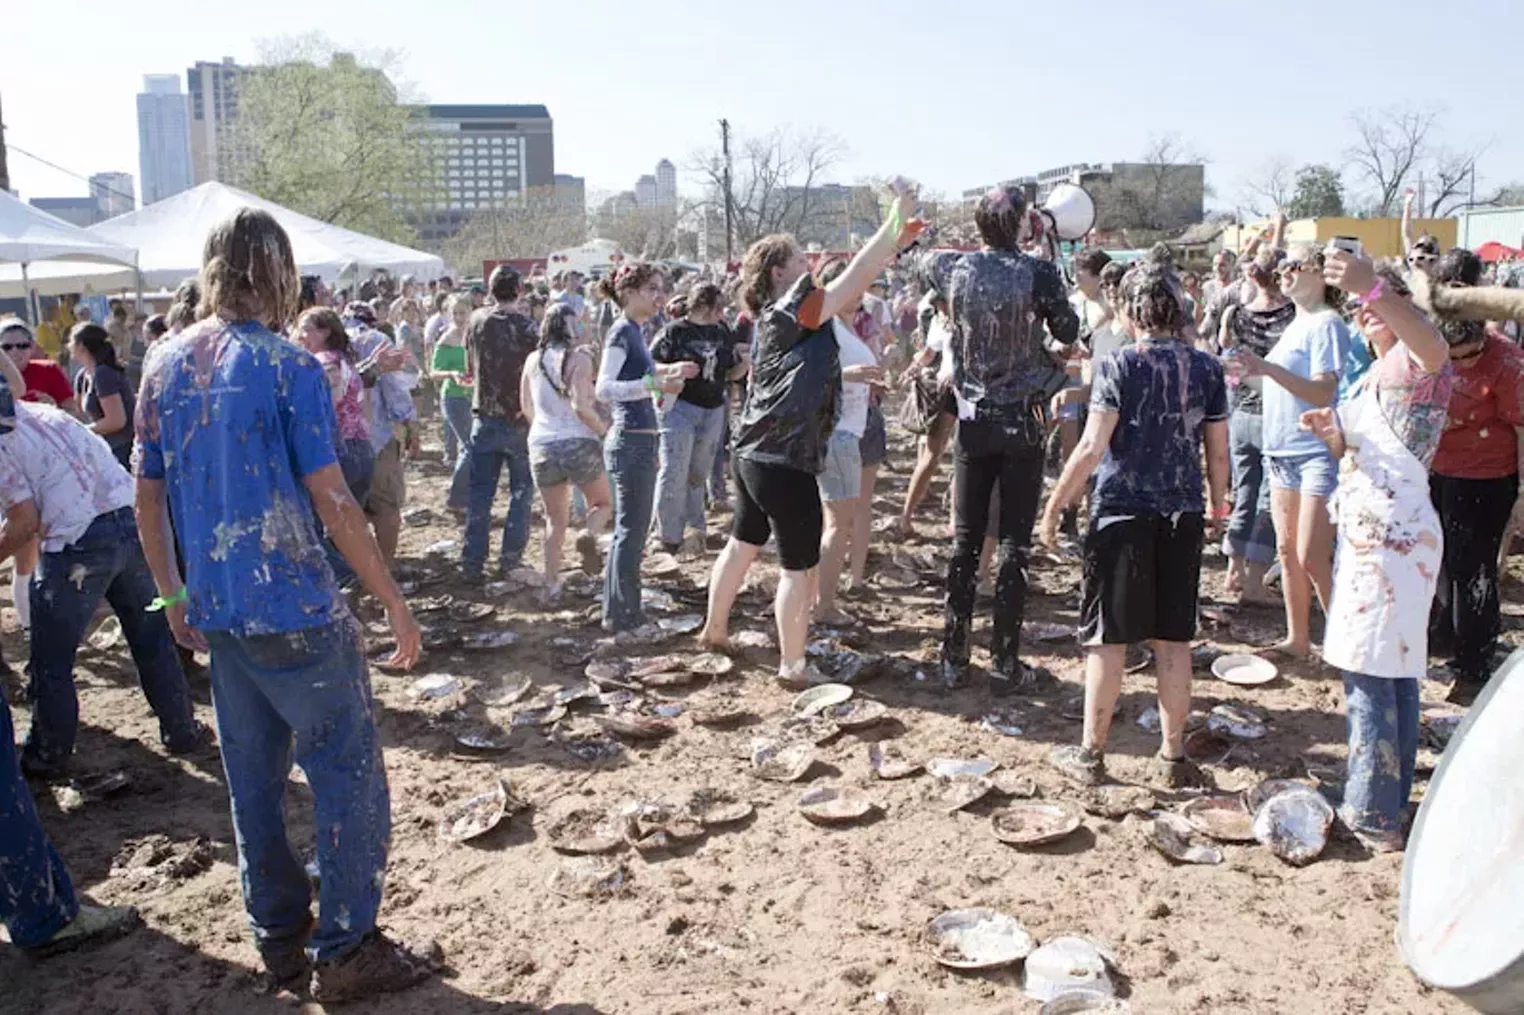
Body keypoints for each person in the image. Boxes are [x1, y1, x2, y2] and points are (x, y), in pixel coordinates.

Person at [134, 207, 437, 1000]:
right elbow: (335, 500)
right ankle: (345, 948)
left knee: (254, 780)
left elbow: (147, 495)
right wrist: (394, 602)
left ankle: (277, 934)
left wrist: (171, 593)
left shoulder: (163, 362)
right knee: (348, 777)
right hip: (298, 609)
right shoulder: (289, 367)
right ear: (278, 274)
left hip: (219, 612)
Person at [699, 187, 921, 684]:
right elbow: (854, 279)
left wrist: (895, 242)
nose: (810, 260)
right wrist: (888, 229)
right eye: (800, 257)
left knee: (742, 544)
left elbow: (857, 281)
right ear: (779, 273)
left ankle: (714, 630)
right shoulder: (796, 310)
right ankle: (793, 666)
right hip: (783, 459)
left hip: (752, 453)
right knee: (796, 569)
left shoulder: (778, 318)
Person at [1041, 261, 1229, 787]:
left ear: (1128, 311)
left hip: (1122, 511)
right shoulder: (1207, 369)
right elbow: (1218, 454)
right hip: (1182, 512)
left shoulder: (1121, 364)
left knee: (1107, 639)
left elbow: (1090, 446)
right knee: (1174, 641)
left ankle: (1091, 755)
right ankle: (1172, 758)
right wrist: (1218, 510)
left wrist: (1056, 506)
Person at [1301, 255, 1451, 850]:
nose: (1364, 316)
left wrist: (1375, 287)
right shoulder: (1378, 368)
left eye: (1372, 308)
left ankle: (1372, 811)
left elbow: (1434, 346)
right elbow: (1370, 445)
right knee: (1392, 672)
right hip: (1378, 531)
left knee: (1371, 670)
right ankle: (1381, 792)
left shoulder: (1417, 361)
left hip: (1395, 539)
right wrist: (1335, 434)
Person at [913, 184, 1081, 691]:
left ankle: (953, 657)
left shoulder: (953, 267)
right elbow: (1069, 328)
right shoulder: (1038, 272)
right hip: (1023, 418)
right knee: (1013, 543)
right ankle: (1005, 661)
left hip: (974, 418)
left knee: (966, 542)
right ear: (1023, 227)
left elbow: (922, 263)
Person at [0, 392, 206, 776]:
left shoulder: (3, 440)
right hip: (128, 522)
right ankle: (182, 730)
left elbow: (23, 522)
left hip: (77, 542)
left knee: (51, 661)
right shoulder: (46, 414)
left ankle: (48, 755)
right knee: (152, 639)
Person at [1234, 243, 1353, 658]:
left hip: (1315, 452)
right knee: (1286, 552)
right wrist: (1247, 375)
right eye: (1281, 265)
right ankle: (1298, 639)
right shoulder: (1296, 324)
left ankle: (1346, 643)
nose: (1283, 271)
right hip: (1280, 452)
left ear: (1320, 273)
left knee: (1312, 554)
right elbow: (1282, 387)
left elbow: (1323, 390)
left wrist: (1266, 368)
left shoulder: (1328, 323)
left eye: (1294, 265)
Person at [1424, 250, 1524, 697]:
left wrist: (1521, 495)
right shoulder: (1430, 350)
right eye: (1453, 359)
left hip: (1486, 479)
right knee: (1440, 560)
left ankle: (1475, 663)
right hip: (1439, 470)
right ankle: (1445, 636)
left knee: (1474, 571)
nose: (1460, 367)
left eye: (1468, 358)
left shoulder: (1507, 363)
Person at [595, 263, 692, 632]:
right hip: (628, 441)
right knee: (631, 532)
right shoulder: (622, 332)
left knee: (631, 532)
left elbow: (643, 388)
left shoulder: (635, 331)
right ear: (629, 291)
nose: (659, 296)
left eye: (661, 288)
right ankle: (623, 615)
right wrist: (654, 383)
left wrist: (665, 385)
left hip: (639, 439)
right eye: (652, 288)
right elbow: (603, 388)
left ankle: (620, 610)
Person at [1218, 250, 1295, 604]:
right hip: (1274, 413)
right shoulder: (1293, 315)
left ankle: (1233, 570)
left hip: (1241, 413)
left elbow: (1227, 356)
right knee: (1267, 495)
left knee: (1245, 492)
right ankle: (1253, 581)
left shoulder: (1236, 314)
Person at [521, 302, 612, 593]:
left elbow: (526, 406)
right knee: (602, 504)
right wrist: (604, 432)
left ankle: (551, 583)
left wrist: (546, 429)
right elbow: (582, 406)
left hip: (541, 443)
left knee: (554, 518)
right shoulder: (581, 359)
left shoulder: (532, 360)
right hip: (577, 440)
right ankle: (588, 534)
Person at [812, 258, 884, 625]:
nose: (858, 295)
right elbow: (808, 378)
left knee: (836, 523)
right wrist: (848, 374)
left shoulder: (843, 326)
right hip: (838, 434)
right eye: (850, 288)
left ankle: (820, 598)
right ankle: (823, 605)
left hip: (848, 431)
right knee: (838, 525)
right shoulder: (825, 328)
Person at [650, 284, 745, 556]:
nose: (721, 312)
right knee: (673, 469)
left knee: (697, 473)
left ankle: (695, 530)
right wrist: (673, 370)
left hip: (713, 407)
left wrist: (747, 365)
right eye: (718, 307)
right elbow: (648, 369)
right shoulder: (673, 332)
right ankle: (666, 535)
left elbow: (731, 372)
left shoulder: (721, 331)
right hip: (679, 407)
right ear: (703, 306)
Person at [461, 265, 539, 581]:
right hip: (519, 420)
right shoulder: (529, 328)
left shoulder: (476, 321)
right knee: (521, 493)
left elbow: (470, 366)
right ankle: (509, 560)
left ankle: (472, 562)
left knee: (480, 494)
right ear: (519, 290)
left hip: (484, 416)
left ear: (490, 290)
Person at [348, 303, 417, 565]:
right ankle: (385, 566)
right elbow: (394, 389)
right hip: (375, 437)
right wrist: (410, 424)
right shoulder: (377, 340)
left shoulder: (319, 337)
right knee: (386, 506)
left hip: (338, 445)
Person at [296, 308, 373, 505]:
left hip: (339, 450)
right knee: (352, 525)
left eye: (305, 330)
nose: (299, 336)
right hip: (361, 447)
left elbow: (327, 406)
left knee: (330, 527)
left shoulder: (322, 362)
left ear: (325, 332)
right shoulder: (344, 359)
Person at [67, 323, 136, 471]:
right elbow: (79, 414)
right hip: (101, 448)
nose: (68, 346)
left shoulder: (103, 374)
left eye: (71, 342)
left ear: (81, 346)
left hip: (122, 450)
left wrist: (80, 431)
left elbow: (116, 421)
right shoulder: (82, 376)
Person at [431, 293, 476, 515]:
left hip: (474, 395)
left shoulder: (474, 335)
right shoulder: (446, 339)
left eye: (463, 312)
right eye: (455, 313)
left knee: (472, 447)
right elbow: (433, 372)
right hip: (454, 397)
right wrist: (452, 373)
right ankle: (457, 499)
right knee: (469, 446)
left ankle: (467, 495)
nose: (459, 317)